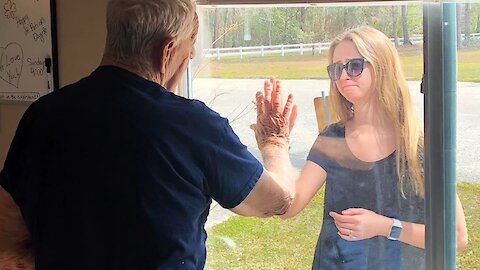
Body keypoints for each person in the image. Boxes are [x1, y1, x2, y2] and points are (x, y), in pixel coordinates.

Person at [0, 0, 298, 269]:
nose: (189, 57)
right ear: (167, 50)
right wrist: (275, 142)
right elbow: (275, 200)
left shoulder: (42, 115)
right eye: (189, 49)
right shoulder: (194, 126)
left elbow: (9, 234)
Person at [253, 26, 468, 269]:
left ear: (382, 68)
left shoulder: (418, 143)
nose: (343, 76)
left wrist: (385, 226)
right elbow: (288, 207)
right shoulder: (331, 138)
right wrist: (276, 144)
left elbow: (456, 237)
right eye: (336, 69)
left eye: (354, 66)